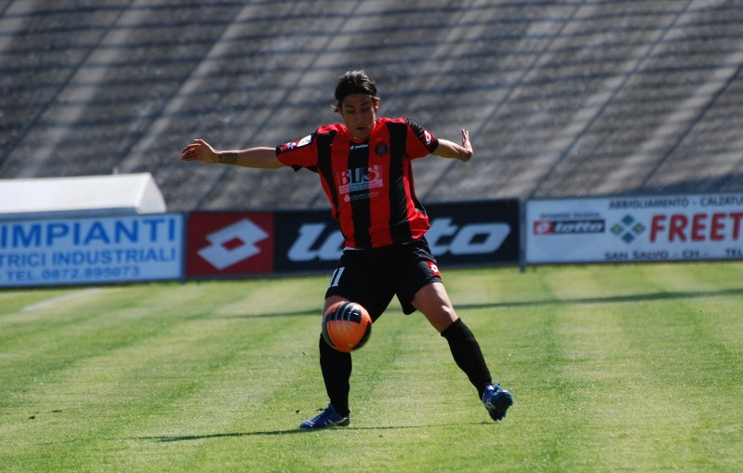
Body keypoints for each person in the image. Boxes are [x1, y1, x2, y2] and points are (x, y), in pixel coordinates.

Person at [180, 70, 513, 430]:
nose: (358, 117)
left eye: (365, 108)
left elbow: (436, 145)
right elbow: (274, 157)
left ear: (376, 106)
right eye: (350, 110)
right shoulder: (323, 143)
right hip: (360, 255)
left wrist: (462, 155)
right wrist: (219, 158)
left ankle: (489, 390)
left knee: (443, 313)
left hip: (406, 248)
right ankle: (338, 410)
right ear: (339, 111)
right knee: (333, 325)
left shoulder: (400, 132)